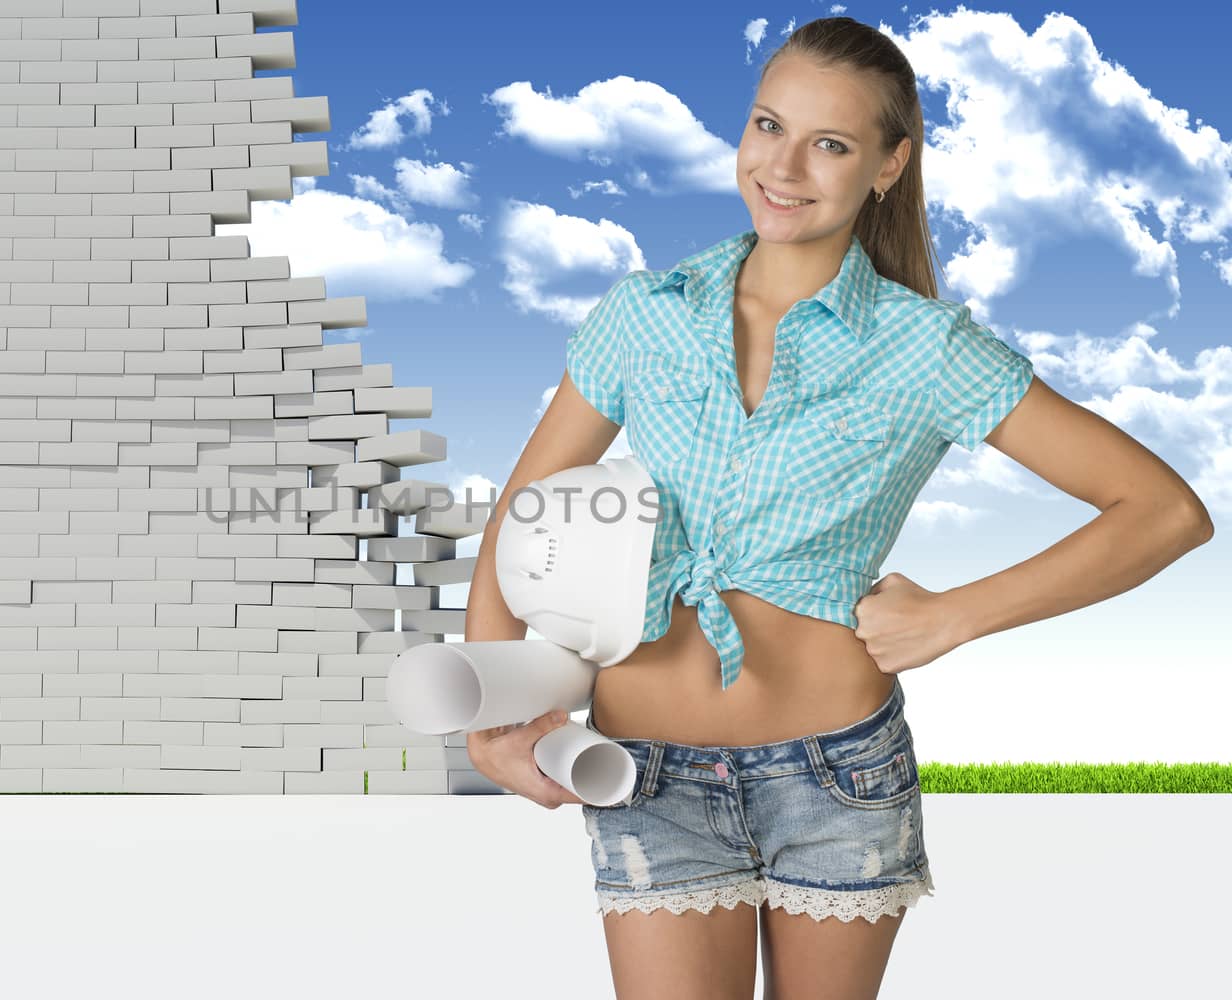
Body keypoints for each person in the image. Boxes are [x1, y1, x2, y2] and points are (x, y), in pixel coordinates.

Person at [462, 16, 1215, 1000]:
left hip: (834, 777)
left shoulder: (927, 348)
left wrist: (957, 614)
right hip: (637, 767)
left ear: (889, 166)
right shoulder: (644, 313)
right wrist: (494, 703)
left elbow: (1162, 510)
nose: (784, 165)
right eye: (768, 125)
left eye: (830, 143)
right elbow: (522, 506)